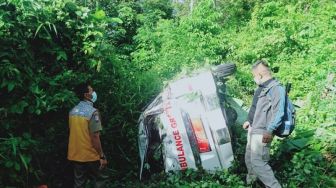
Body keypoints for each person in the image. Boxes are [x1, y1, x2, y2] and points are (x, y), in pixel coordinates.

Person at [243, 60, 285, 188]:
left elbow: (279, 112)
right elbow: (256, 107)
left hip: (263, 131)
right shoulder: (262, 88)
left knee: (258, 162)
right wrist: (249, 121)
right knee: (250, 159)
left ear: (260, 75)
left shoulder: (276, 88)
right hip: (253, 128)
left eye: (254, 76)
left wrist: (270, 130)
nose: (254, 78)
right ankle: (252, 184)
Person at [68, 82, 107, 188]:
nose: (94, 93)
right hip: (90, 155)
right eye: (91, 91)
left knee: (79, 183)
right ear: (86, 95)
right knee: (100, 180)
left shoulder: (72, 111)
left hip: (75, 154)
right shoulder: (93, 112)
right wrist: (101, 156)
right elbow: (95, 137)